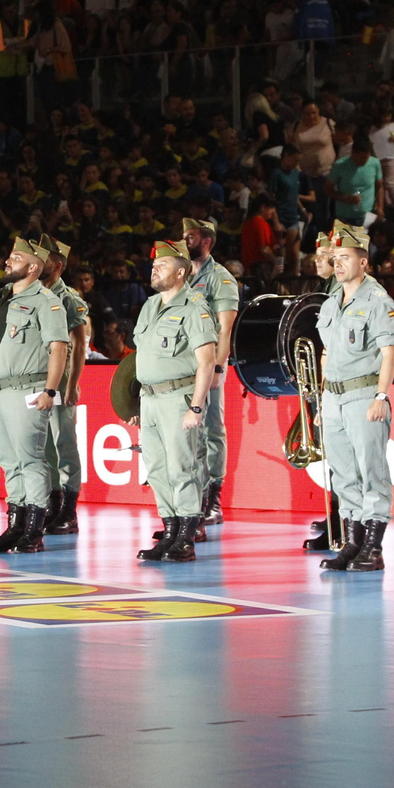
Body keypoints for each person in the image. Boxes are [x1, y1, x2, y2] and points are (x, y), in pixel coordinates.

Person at [312, 223, 394, 573]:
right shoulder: (333, 301)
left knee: (371, 470)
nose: (337, 264)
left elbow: (389, 350)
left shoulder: (378, 301)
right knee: (343, 473)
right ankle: (352, 542)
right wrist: (322, 399)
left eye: (345, 258)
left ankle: (373, 547)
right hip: (334, 398)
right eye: (335, 259)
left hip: (364, 393)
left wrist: (382, 395)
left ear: (364, 262)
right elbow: (326, 352)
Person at [0, 238, 70, 555]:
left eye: (15, 257)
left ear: (33, 267)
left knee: (30, 460)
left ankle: (33, 530)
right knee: (9, 462)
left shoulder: (47, 301)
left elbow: (59, 346)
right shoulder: (2, 299)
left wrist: (50, 390)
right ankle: (15, 525)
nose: (7, 260)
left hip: (27, 390)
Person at [127, 240, 218, 562]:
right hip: (150, 399)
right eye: (154, 265)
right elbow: (141, 359)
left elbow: (207, 361)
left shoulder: (194, 307)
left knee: (182, 467)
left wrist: (196, 406)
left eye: (162, 265)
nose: (155, 268)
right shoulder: (150, 306)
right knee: (156, 469)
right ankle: (169, 531)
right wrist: (135, 403)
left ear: (181, 272)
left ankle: (186, 537)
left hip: (178, 398)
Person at [182, 218, 241, 528]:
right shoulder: (181, 276)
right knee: (188, 431)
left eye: (190, 237)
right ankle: (191, 496)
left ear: (207, 241)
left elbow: (225, 328)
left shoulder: (221, 279)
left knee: (211, 428)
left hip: (209, 363)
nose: (185, 242)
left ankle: (212, 497)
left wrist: (218, 366)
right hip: (182, 365)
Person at [37, 235, 90, 534]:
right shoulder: (35, 294)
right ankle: (53, 503)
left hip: (62, 379)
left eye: (43, 258)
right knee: (45, 445)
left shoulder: (68, 297)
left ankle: (69, 509)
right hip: (40, 376)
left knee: (64, 442)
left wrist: (73, 385)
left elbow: (79, 344)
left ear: (56, 265)